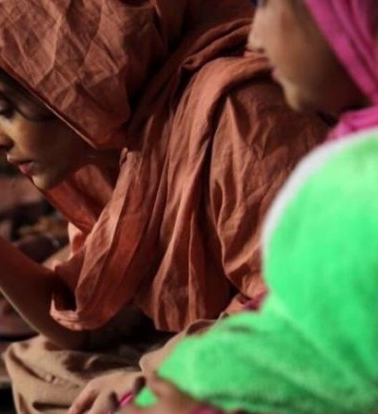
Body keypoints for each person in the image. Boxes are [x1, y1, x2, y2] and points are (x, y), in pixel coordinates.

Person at [0, 1, 327, 412]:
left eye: (2, 109)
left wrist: (153, 380)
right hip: (213, 350)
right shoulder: (116, 141)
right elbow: (88, 323)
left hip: (290, 361)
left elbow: (296, 317)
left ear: (72, 82)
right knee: (38, 364)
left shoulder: (242, 111)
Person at [108, 0, 378, 413]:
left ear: (346, 11)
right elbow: (298, 316)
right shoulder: (349, 155)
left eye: (268, 5)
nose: (253, 37)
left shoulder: (246, 105)